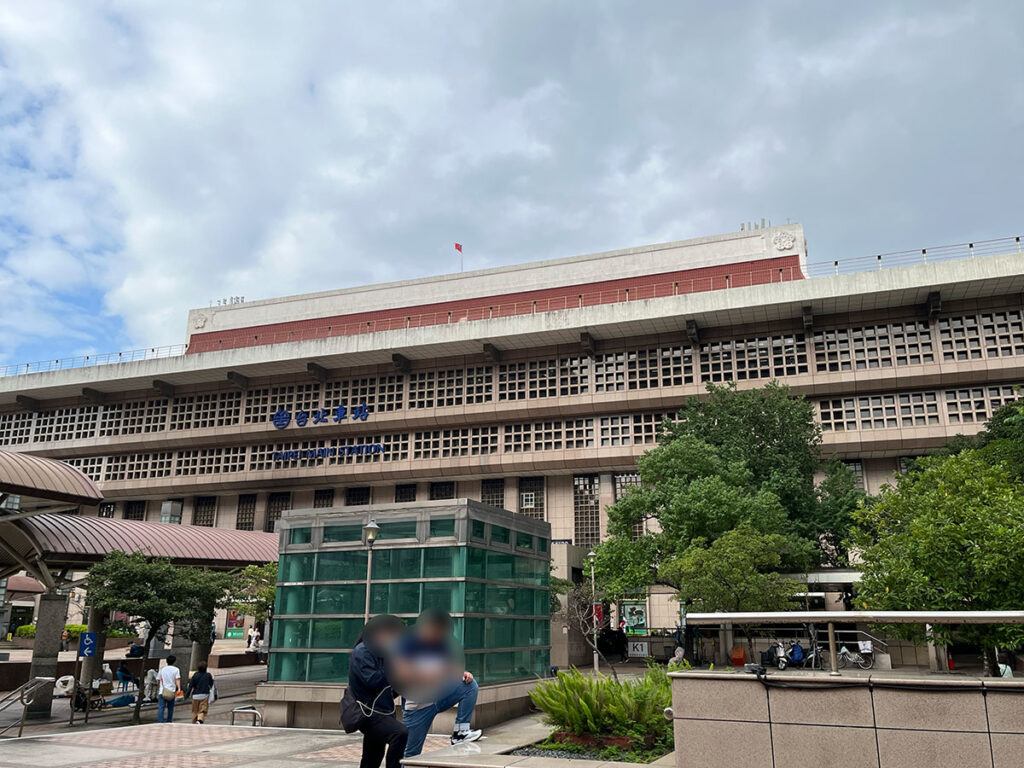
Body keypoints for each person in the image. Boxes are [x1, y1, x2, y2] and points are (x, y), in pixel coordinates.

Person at [394, 609, 482, 757]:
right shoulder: (407, 642)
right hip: (418, 706)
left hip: (440, 696)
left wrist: (461, 673)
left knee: (469, 686)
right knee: (411, 753)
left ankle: (460, 733)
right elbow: (403, 673)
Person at [348, 614, 407, 768]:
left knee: (372, 757)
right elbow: (373, 680)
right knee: (399, 733)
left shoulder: (386, 653)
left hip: (383, 712)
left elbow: (391, 690)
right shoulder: (362, 651)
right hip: (368, 714)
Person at [157, 654, 182, 723]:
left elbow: (158, 680)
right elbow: (177, 679)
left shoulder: (162, 670)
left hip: (162, 691)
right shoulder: (176, 670)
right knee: (170, 707)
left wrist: (159, 687)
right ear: (174, 662)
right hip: (171, 691)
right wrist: (179, 688)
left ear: (166, 661)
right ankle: (169, 720)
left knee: (161, 707)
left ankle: (160, 721)